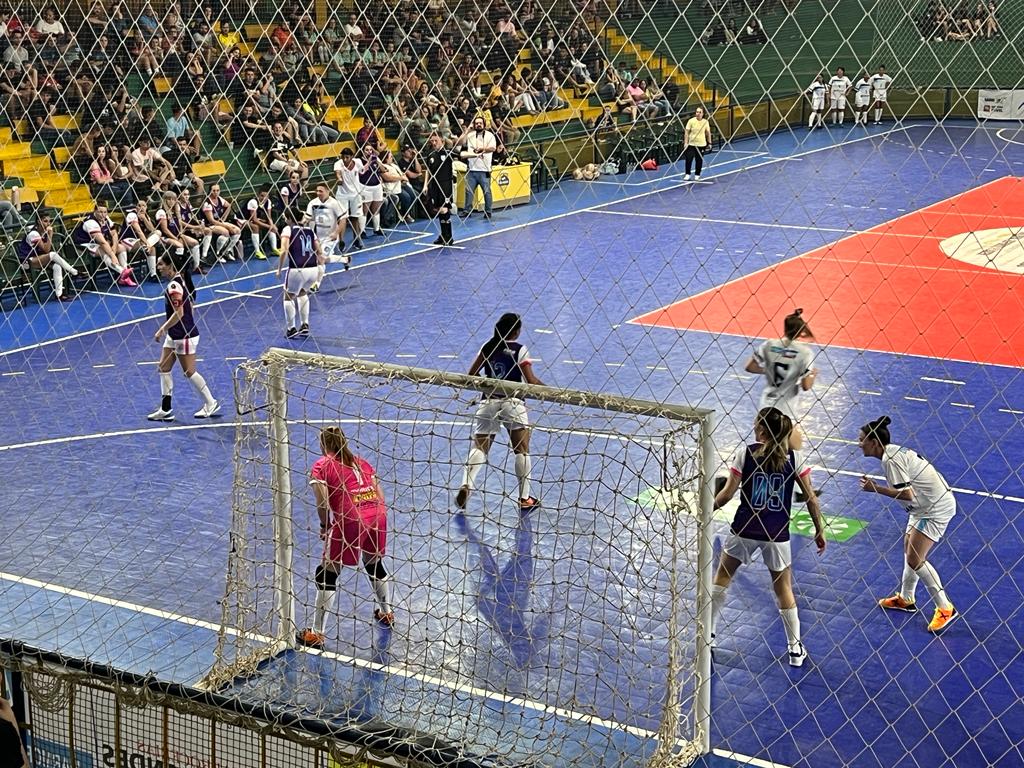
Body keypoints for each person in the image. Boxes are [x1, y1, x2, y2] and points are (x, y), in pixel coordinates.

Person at [710, 407, 825, 667]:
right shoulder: (794, 459)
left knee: (722, 578)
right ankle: (795, 649)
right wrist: (819, 529)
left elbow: (727, 494)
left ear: (761, 430)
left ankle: (709, 635)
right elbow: (810, 498)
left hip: (744, 529)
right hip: (776, 534)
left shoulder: (746, 453)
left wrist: (704, 510)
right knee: (783, 587)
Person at [297, 425, 395, 648]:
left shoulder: (322, 465)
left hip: (351, 518)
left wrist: (325, 525)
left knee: (327, 573)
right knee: (373, 564)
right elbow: (379, 492)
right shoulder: (361, 462)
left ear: (324, 444)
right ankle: (386, 612)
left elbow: (322, 500)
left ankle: (316, 633)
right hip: (378, 515)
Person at [859, 416, 958, 633]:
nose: (859, 443)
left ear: (874, 443)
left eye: (862, 439)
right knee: (908, 548)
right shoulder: (892, 451)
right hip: (922, 506)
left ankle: (944, 607)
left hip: (934, 509)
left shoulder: (890, 460)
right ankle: (906, 598)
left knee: (915, 558)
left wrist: (875, 488)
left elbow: (907, 493)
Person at [455, 313, 543, 511]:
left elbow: (471, 374)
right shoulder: (520, 350)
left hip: (489, 403)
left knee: (479, 447)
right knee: (521, 450)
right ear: (516, 331)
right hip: (513, 403)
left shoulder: (488, 347)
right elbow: (531, 380)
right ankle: (524, 498)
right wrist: (550, 392)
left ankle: (467, 484)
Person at [147, 252, 220, 421]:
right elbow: (190, 307)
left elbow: (179, 312)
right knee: (163, 367)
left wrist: (162, 329)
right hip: (176, 334)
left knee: (189, 371)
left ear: (171, 266)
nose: (158, 268)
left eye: (161, 265)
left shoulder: (174, 287)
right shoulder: (180, 281)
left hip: (184, 335)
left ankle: (211, 402)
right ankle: (165, 409)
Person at [744, 308, 817, 453]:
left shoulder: (769, 345)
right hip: (786, 410)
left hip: (766, 405)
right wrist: (813, 375)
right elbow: (806, 386)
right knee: (793, 451)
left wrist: (767, 370)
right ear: (801, 331)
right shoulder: (804, 353)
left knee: (763, 446)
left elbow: (749, 366)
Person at [277, 208, 324, 338]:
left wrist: (279, 269)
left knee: (288, 296)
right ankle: (305, 324)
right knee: (303, 293)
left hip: (297, 268)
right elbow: (319, 251)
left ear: (290, 219)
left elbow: (284, 250)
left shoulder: (288, 230)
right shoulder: (309, 230)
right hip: (312, 268)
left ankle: (291, 328)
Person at [16, 211, 78, 301]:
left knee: (57, 267)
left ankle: (59, 295)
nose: (48, 224)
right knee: (52, 254)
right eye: (45, 221)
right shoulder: (34, 233)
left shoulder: (43, 232)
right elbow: (46, 250)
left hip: (39, 258)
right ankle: (74, 272)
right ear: (38, 221)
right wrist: (50, 235)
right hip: (27, 262)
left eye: (49, 221)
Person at [71, 204, 136, 287]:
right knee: (103, 250)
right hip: (83, 246)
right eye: (100, 212)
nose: (103, 214)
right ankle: (122, 271)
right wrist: (113, 255)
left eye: (105, 212)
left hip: (98, 243)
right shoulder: (91, 222)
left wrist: (114, 248)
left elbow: (114, 234)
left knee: (121, 247)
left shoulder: (106, 218)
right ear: (95, 211)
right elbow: (102, 242)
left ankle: (124, 277)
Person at [304, 182, 348, 291]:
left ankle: (316, 284)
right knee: (323, 258)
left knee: (320, 259)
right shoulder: (312, 203)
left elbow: (343, 219)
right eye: (317, 191)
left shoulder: (335, 203)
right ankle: (345, 259)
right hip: (318, 237)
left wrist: (336, 232)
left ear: (328, 191)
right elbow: (307, 218)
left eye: (321, 191)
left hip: (330, 237)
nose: (318, 193)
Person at [424, 131, 456, 245]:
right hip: (434, 185)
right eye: (432, 141)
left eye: (436, 140)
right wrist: (425, 185)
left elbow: (460, 152)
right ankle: (443, 235)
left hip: (445, 185)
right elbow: (428, 170)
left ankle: (448, 236)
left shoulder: (447, 153)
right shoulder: (430, 155)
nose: (433, 143)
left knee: (444, 209)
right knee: (438, 209)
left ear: (441, 141)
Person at [461, 116, 496, 219]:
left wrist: (482, 149)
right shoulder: (471, 135)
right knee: (468, 191)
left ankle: (488, 211)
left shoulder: (490, 135)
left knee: (487, 192)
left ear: (484, 125)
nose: (478, 125)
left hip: (484, 169)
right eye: (476, 123)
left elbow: (493, 148)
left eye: (480, 123)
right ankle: (467, 210)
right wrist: (467, 130)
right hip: (472, 169)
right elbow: (461, 142)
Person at [120, 199, 163, 280]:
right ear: (136, 207)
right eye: (139, 205)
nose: (141, 208)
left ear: (146, 207)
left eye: (143, 205)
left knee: (158, 233)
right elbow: (139, 231)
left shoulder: (145, 215)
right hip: (127, 240)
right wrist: (147, 244)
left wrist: (145, 219)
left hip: (140, 240)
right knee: (150, 246)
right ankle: (147, 246)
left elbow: (152, 230)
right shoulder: (132, 214)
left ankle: (153, 275)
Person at [333, 147, 365, 252]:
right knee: (343, 218)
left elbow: (362, 171)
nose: (345, 159)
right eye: (343, 157)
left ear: (352, 156)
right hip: (342, 195)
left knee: (356, 217)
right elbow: (337, 173)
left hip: (356, 193)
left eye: (347, 157)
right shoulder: (338, 163)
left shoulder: (358, 162)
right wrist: (339, 179)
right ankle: (341, 241)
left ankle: (357, 239)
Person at [202, 184, 242, 263]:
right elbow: (211, 221)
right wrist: (226, 226)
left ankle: (226, 251)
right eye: (214, 191)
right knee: (225, 232)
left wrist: (224, 218)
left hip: (220, 222)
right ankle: (218, 254)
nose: (216, 192)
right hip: (210, 225)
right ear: (210, 191)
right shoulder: (207, 203)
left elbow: (229, 206)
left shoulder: (220, 199)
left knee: (237, 230)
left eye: (218, 190)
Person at [245, 184, 280, 260]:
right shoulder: (253, 202)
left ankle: (274, 248)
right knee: (255, 227)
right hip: (243, 219)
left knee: (272, 226)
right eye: (262, 196)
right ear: (258, 195)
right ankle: (257, 252)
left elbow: (269, 217)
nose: (264, 198)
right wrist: (269, 226)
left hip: (255, 219)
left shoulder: (268, 202)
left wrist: (272, 225)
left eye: (266, 196)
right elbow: (254, 220)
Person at [682, 106, 711, 181]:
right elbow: (686, 132)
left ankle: (697, 174)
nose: (698, 113)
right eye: (697, 112)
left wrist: (709, 143)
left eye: (699, 112)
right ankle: (687, 174)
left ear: (703, 114)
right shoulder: (691, 121)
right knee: (688, 159)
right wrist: (686, 142)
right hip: (691, 144)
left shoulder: (705, 122)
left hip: (701, 144)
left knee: (699, 160)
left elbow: (708, 133)